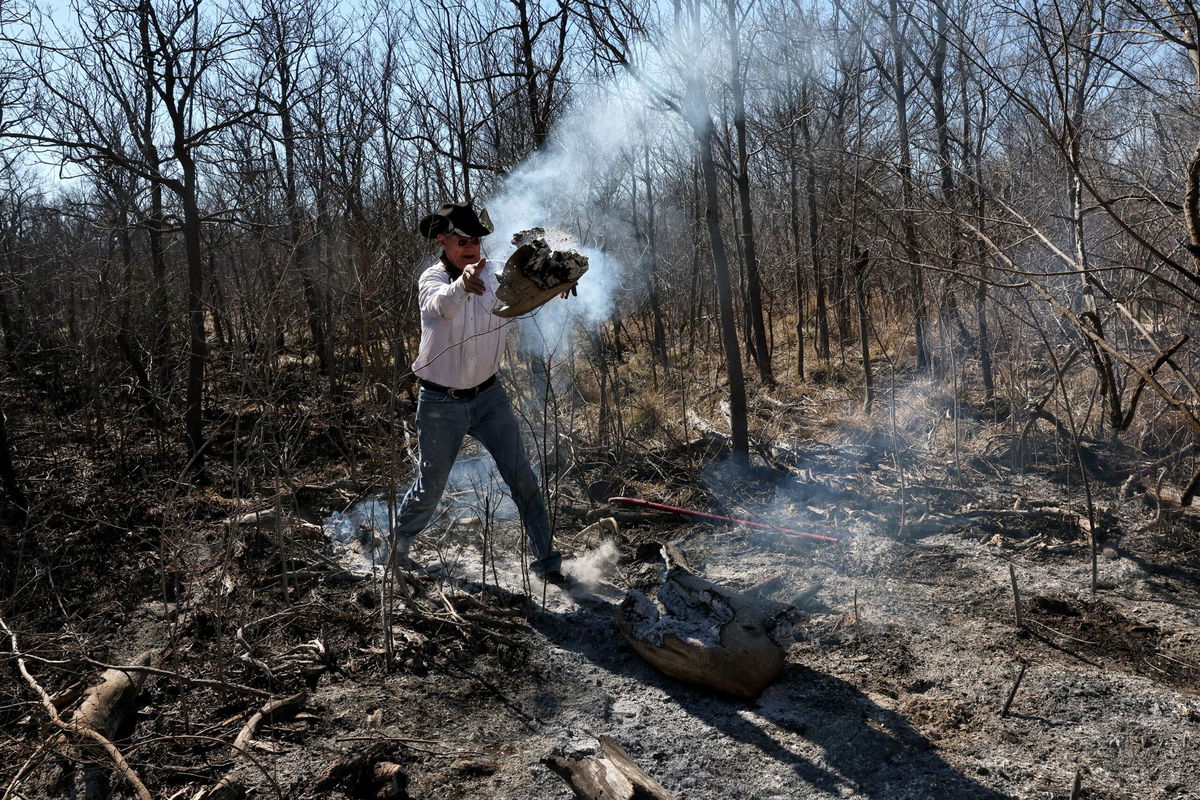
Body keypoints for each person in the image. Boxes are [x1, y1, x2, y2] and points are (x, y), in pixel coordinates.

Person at [390, 200, 565, 584]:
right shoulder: (431, 280)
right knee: (431, 485)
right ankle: (397, 548)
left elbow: (530, 287)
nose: (471, 246)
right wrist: (462, 285)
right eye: (461, 239)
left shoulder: (500, 275)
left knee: (522, 477)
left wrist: (557, 283)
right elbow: (441, 306)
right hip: (439, 402)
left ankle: (548, 563)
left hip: (490, 398)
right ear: (442, 240)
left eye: (476, 239)